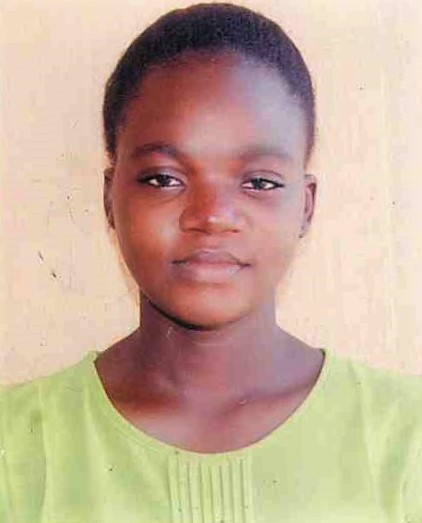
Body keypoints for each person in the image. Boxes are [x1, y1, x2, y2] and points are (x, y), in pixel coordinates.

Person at [1, 3, 421, 522]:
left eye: (259, 182)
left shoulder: (406, 441)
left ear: (306, 206)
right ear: (110, 198)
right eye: (164, 179)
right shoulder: (17, 451)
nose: (212, 216)